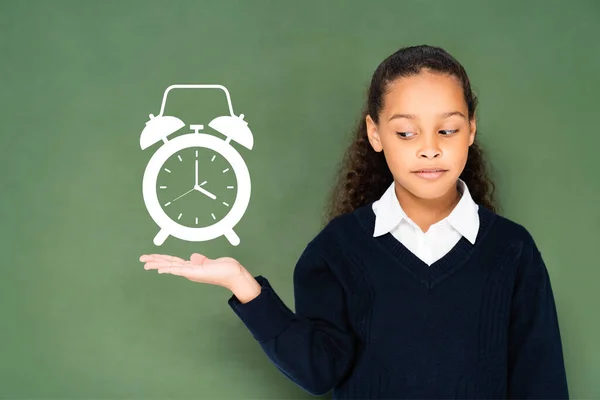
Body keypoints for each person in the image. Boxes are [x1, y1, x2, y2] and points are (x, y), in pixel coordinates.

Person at [139, 44, 569, 399]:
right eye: (406, 133)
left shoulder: (511, 250)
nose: (429, 149)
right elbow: (320, 370)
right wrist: (243, 286)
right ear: (375, 133)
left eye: (448, 130)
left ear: (471, 131)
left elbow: (541, 379)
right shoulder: (339, 249)